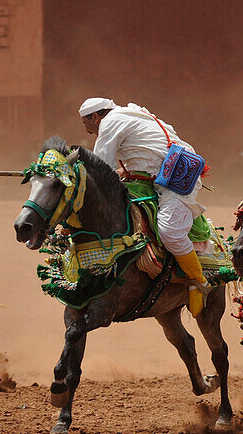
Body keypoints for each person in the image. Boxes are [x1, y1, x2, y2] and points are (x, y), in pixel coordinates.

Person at [78, 97, 209, 316]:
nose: (86, 129)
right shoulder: (130, 115)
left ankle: (198, 282)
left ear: (96, 116)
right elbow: (140, 159)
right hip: (155, 179)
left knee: (170, 233)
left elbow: (99, 168)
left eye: (86, 122)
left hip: (176, 179)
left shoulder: (110, 122)